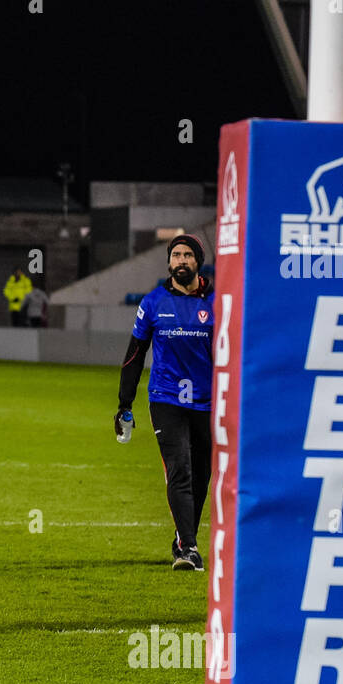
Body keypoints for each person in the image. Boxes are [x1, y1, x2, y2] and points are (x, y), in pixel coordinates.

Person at [115, 234, 215, 571]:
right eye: (176, 255)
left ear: (198, 261)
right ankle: (188, 548)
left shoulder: (218, 301)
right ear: (169, 262)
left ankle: (182, 536)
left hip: (208, 400)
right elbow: (134, 354)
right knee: (180, 469)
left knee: (203, 473)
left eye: (188, 255)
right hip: (166, 397)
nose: (181, 260)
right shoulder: (153, 302)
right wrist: (124, 404)